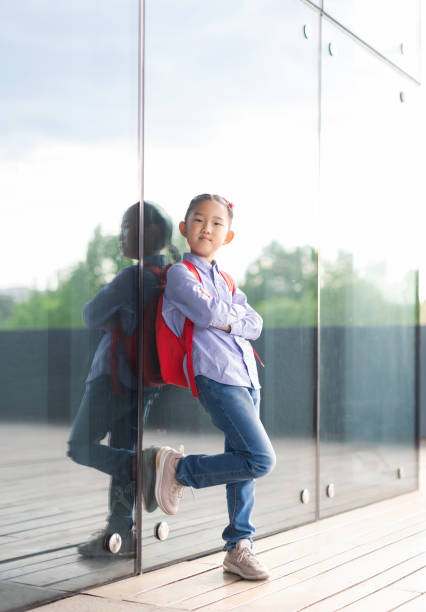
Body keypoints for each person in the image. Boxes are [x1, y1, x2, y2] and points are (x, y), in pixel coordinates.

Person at [154, 194, 276, 580]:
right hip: (216, 376)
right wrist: (231, 316)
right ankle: (178, 469)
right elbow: (207, 313)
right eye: (199, 220)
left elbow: (255, 324)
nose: (207, 228)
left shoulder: (224, 279)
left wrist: (230, 317)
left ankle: (239, 546)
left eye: (216, 223)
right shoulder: (180, 274)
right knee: (260, 459)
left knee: (244, 464)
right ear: (184, 228)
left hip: (246, 376)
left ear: (229, 235)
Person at [68, 201, 173, 557]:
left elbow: (90, 313)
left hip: (111, 379)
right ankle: (121, 534)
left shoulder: (132, 277)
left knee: (80, 446)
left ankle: (141, 466)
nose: (120, 235)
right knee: (124, 447)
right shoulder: (170, 277)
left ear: (153, 234)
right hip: (147, 383)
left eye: (127, 226)